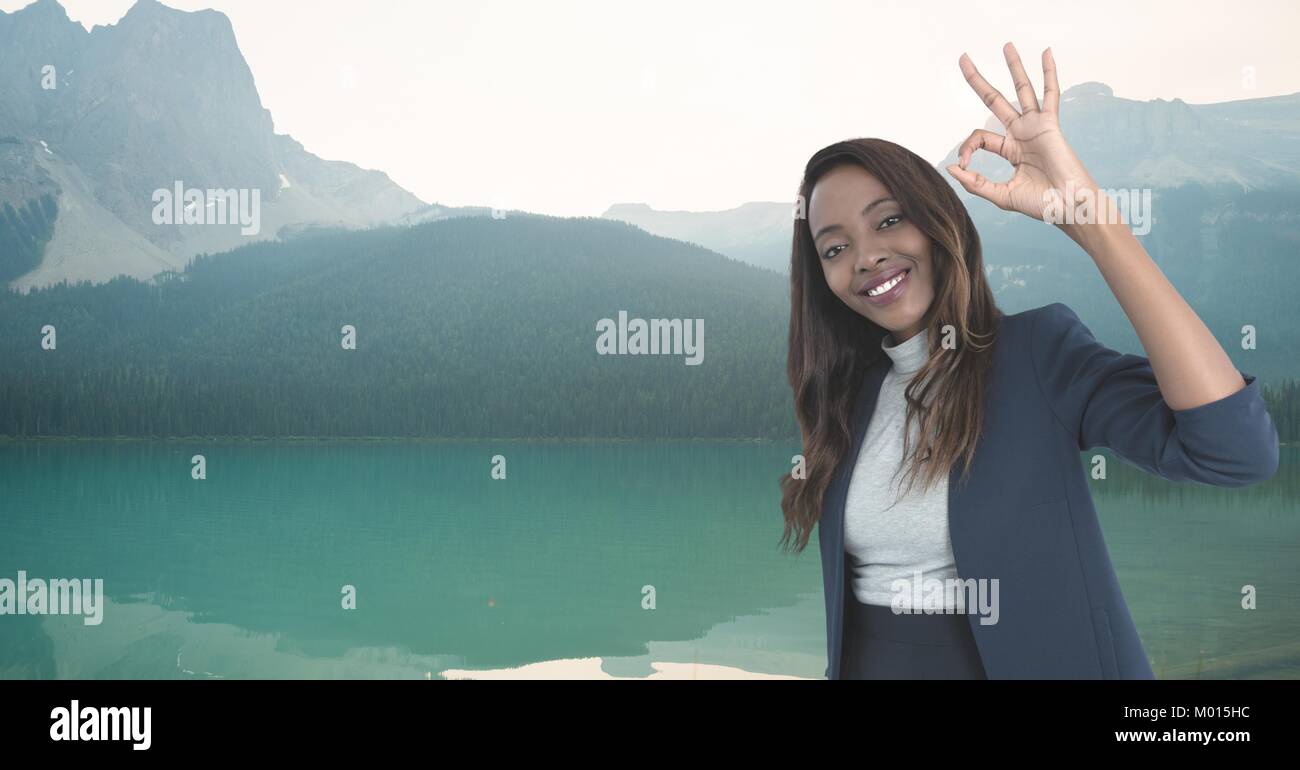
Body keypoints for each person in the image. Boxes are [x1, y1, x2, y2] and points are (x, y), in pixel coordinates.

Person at [777, 43, 1280, 679]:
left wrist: (1091, 221)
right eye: (834, 248)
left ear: (938, 224)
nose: (867, 256)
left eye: (890, 220)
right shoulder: (848, 398)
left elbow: (1233, 450)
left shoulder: (1035, 355)